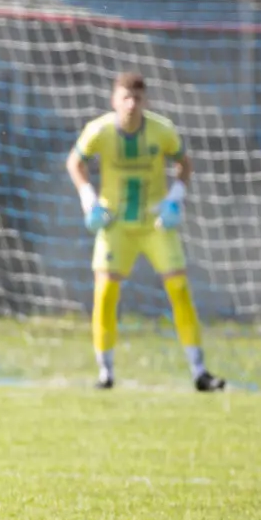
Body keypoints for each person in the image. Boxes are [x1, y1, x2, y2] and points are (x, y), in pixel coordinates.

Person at [65, 71, 226, 392]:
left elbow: (185, 163)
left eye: (137, 98)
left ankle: (199, 372)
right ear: (114, 100)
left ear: (145, 101)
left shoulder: (161, 130)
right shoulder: (99, 131)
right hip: (116, 224)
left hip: (155, 223)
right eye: (125, 97)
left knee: (179, 289)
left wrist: (174, 201)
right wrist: (89, 200)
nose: (130, 105)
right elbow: (74, 163)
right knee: (105, 294)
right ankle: (105, 373)